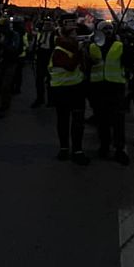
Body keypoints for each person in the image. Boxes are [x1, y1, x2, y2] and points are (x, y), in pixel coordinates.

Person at [87, 21, 129, 165]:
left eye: (110, 28)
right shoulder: (92, 46)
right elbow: (87, 66)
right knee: (102, 119)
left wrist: (127, 45)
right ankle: (104, 146)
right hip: (98, 86)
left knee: (118, 119)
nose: (108, 31)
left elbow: (127, 63)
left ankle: (119, 149)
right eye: (104, 29)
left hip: (116, 86)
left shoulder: (120, 45)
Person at [48, 26, 89, 165]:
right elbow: (70, 66)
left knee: (78, 121)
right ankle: (64, 148)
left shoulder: (75, 48)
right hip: (62, 90)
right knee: (63, 120)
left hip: (76, 88)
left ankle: (77, 150)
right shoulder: (59, 51)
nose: (76, 36)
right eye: (73, 34)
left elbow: (82, 67)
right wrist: (79, 51)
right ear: (66, 36)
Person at [31, 20, 56, 107]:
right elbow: (36, 45)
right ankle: (40, 99)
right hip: (40, 57)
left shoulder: (54, 35)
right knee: (39, 80)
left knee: (50, 81)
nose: (46, 26)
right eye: (45, 24)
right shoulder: (40, 34)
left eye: (49, 24)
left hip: (49, 58)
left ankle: (51, 100)